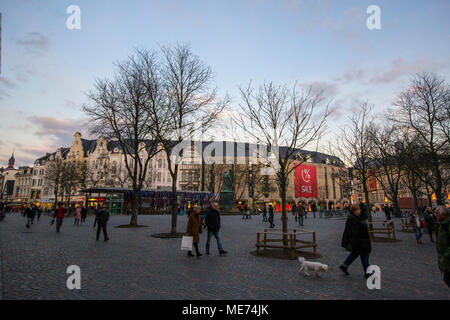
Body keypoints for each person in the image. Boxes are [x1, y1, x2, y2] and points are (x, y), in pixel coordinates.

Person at [339, 204, 372, 278]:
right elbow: (353, 232)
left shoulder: (357, 217)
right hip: (360, 240)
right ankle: (367, 271)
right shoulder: (353, 219)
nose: (360, 210)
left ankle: (344, 265)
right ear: (354, 211)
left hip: (361, 240)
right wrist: (357, 241)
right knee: (364, 254)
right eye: (358, 209)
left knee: (355, 253)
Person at [435, 206, 450, 288]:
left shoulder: (447, 226)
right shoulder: (441, 225)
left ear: (444, 215)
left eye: (437, 213)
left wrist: (445, 256)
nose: (435, 215)